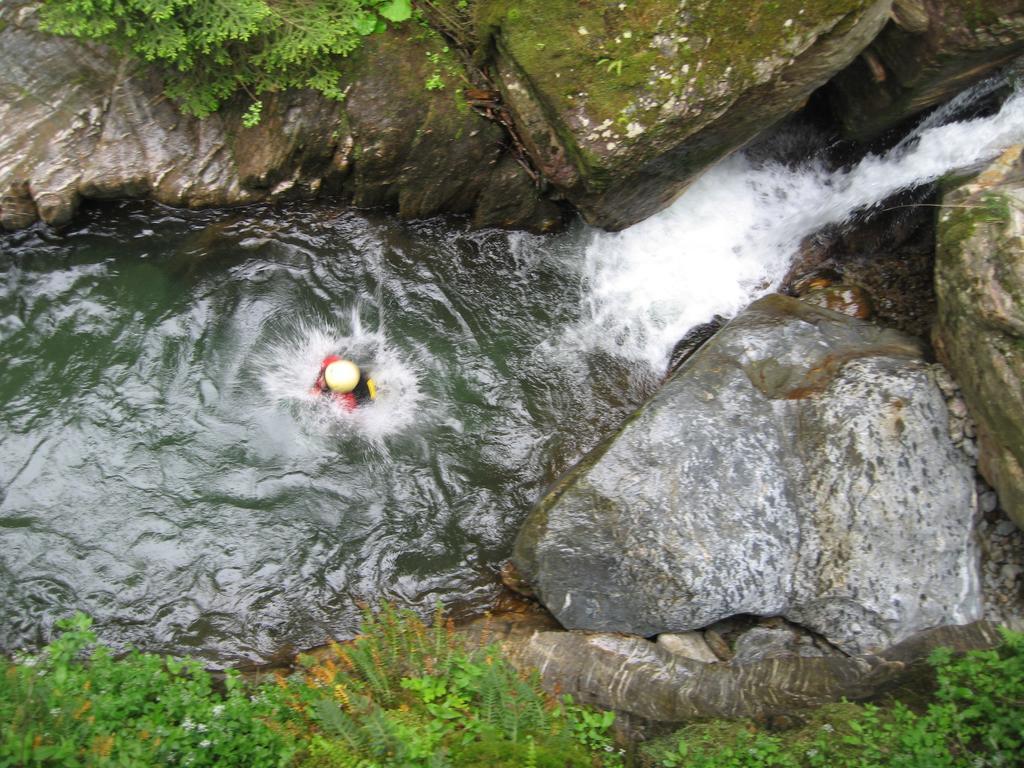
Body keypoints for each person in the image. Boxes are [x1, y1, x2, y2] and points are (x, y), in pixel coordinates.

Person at [311, 355, 377, 410]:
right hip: (355, 375)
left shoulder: (347, 401)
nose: (321, 380)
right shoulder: (331, 363)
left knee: (372, 398)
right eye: (323, 375)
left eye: (325, 381)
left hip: (367, 391)